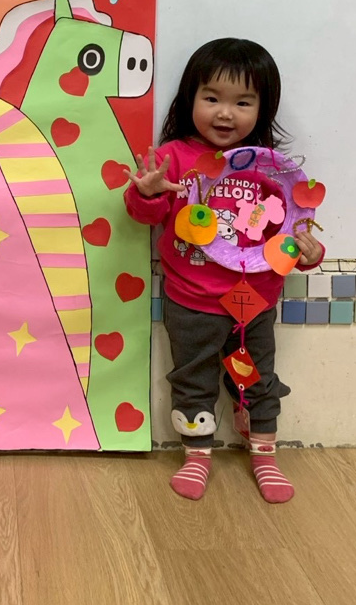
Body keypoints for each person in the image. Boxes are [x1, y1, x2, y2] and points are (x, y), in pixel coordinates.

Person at [125, 38, 323, 503]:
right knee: (192, 379)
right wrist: (148, 193)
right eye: (211, 97)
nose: (225, 113)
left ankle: (265, 456)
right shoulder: (174, 157)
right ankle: (197, 455)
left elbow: (295, 230)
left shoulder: (274, 169)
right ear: (189, 98)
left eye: (243, 102)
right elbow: (144, 216)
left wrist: (311, 253)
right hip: (191, 300)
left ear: (263, 108)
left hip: (255, 302)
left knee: (257, 379)